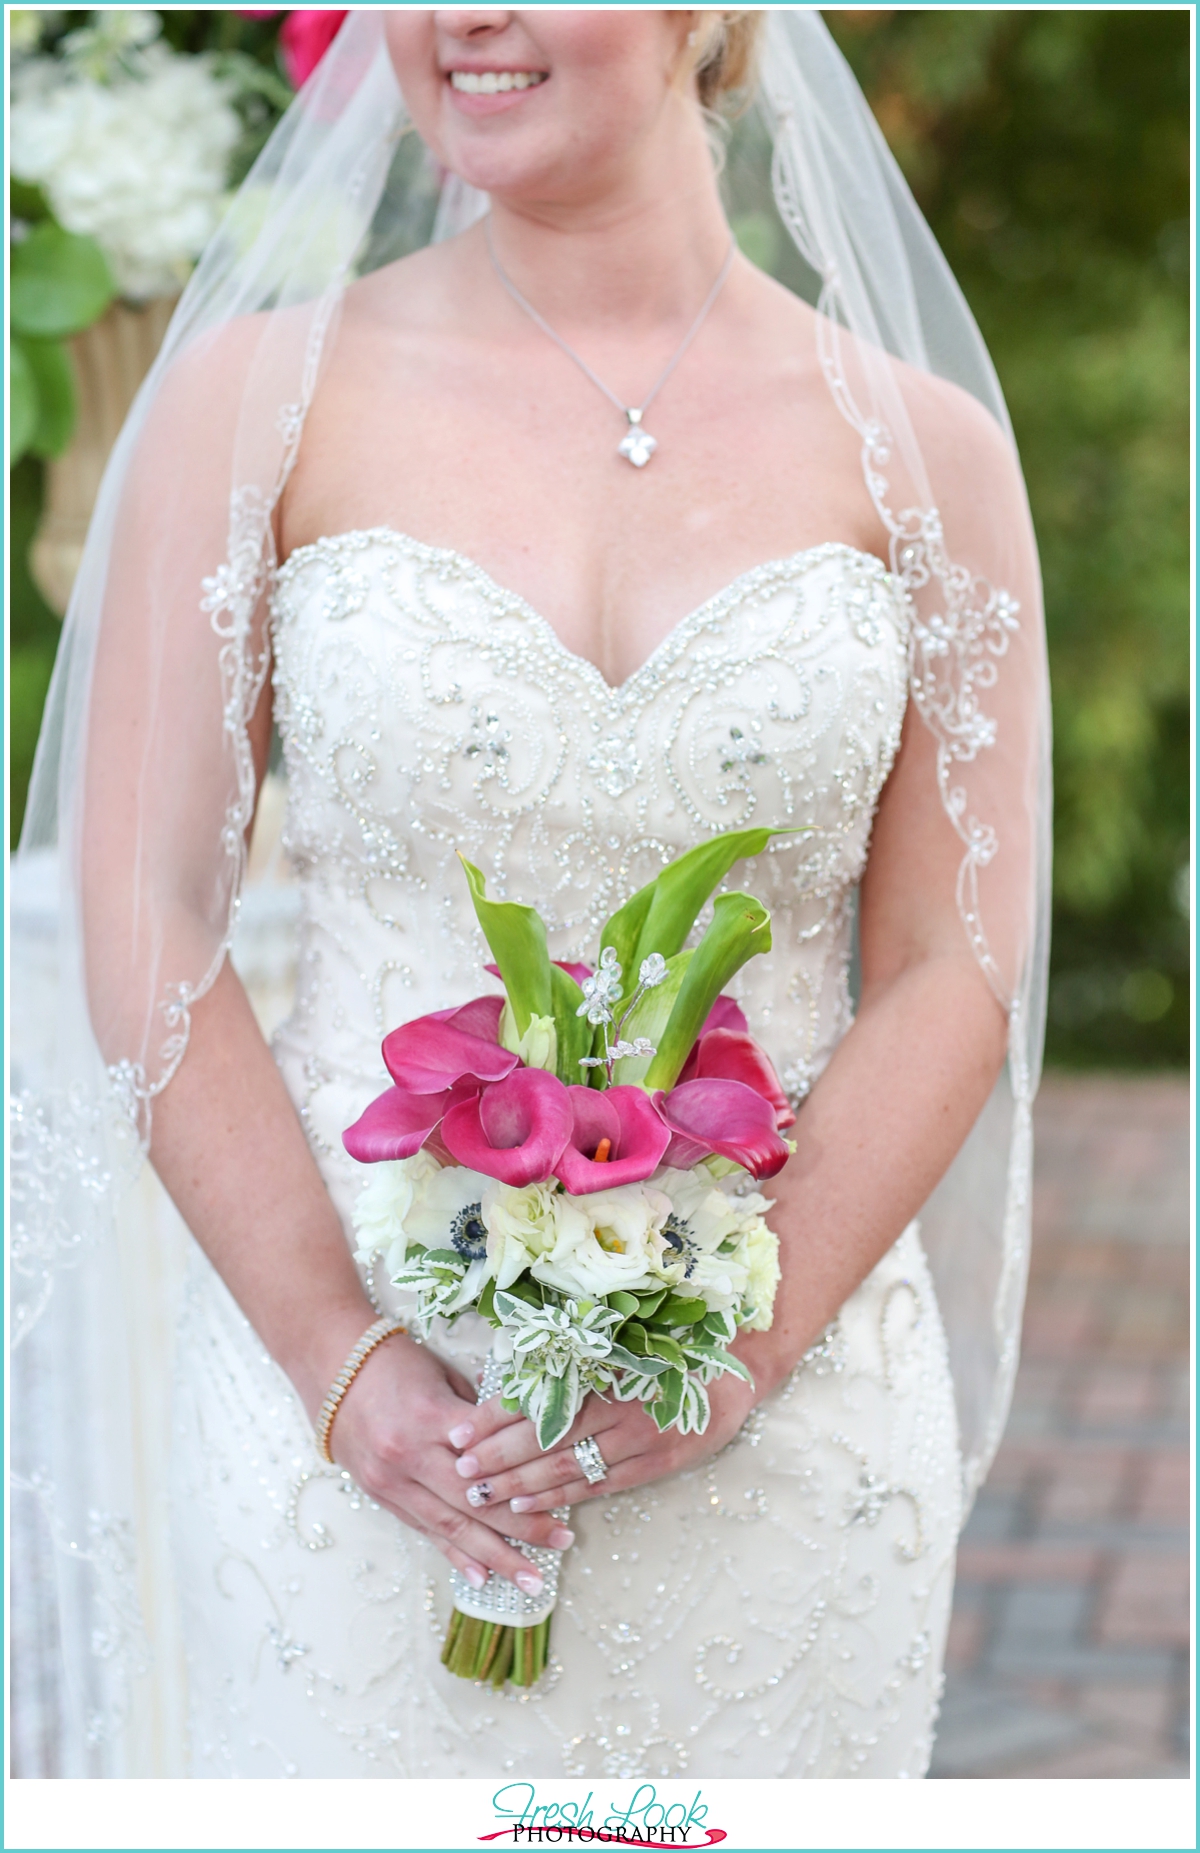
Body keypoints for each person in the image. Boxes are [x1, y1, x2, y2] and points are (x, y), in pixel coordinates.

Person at [11, 9, 1050, 1778]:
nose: (457, 18)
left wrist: (741, 1351)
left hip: (788, 1432)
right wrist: (343, 1371)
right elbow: (145, 904)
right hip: (356, 1423)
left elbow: (951, 960)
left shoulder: (925, 450)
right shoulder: (259, 394)